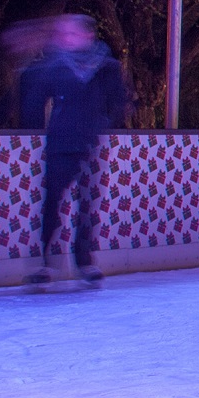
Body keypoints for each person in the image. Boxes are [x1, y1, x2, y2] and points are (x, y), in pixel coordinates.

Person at [18, 15, 126, 287]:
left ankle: (85, 261)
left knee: (88, 205)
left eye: (72, 34)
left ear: (87, 36)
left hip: (89, 143)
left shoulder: (106, 67)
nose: (65, 40)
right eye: (63, 35)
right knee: (52, 201)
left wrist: (103, 121)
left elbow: (118, 101)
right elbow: (32, 101)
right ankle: (45, 262)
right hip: (61, 142)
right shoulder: (54, 67)